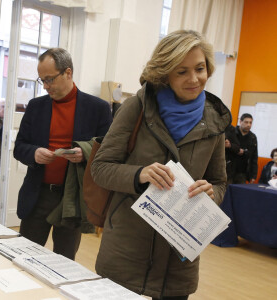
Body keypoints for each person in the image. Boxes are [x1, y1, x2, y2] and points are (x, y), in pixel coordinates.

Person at [91, 30, 231, 300]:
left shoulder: (215, 122)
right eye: (181, 72)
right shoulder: (136, 108)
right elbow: (101, 167)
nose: (194, 79)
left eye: (200, 69)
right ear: (165, 73)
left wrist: (212, 193)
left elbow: (220, 182)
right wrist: (140, 174)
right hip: (126, 256)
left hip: (178, 263)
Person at [14, 48, 112, 260]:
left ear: (68, 73)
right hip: (38, 194)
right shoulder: (35, 106)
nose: (46, 87)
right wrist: (34, 153)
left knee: (64, 262)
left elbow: (109, 152)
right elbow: (19, 147)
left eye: (50, 79)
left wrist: (85, 153)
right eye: (42, 81)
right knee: (24, 257)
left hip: (72, 197)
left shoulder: (98, 109)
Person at [232, 113, 258, 184]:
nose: (249, 125)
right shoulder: (232, 132)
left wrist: (253, 176)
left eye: (250, 122)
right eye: (246, 122)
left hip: (242, 173)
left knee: (239, 193)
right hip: (229, 170)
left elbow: (254, 157)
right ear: (240, 122)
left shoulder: (253, 137)